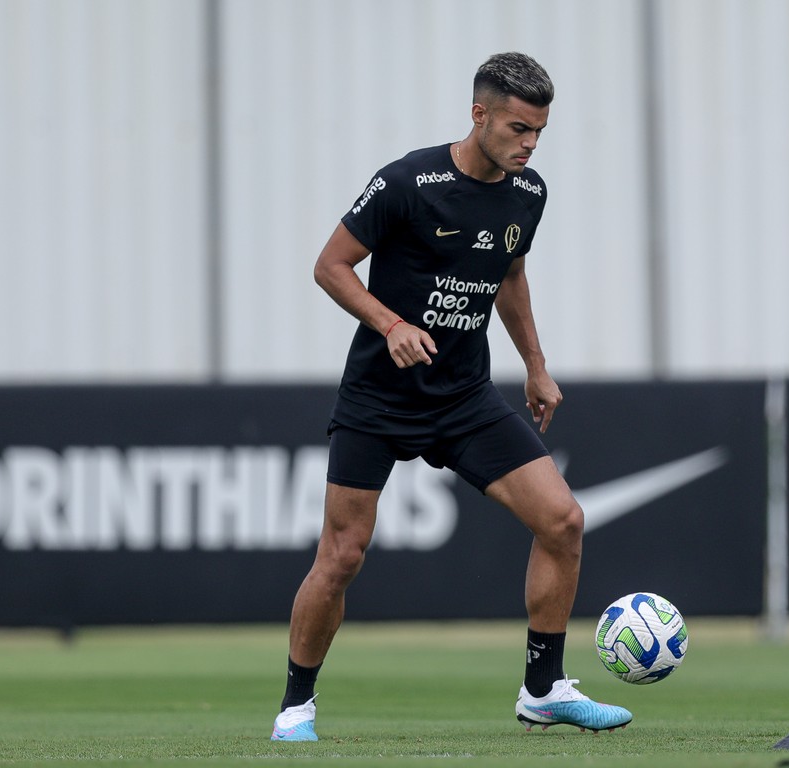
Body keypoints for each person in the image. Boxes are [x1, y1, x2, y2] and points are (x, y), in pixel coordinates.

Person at [270, 51, 632, 742]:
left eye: (540, 132)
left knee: (563, 521)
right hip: (379, 398)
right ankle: (295, 707)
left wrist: (536, 367)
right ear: (479, 114)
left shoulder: (528, 193)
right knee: (343, 554)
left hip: (464, 397)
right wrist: (391, 324)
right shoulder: (407, 182)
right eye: (519, 128)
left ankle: (543, 689)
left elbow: (510, 275)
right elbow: (330, 266)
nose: (530, 144)